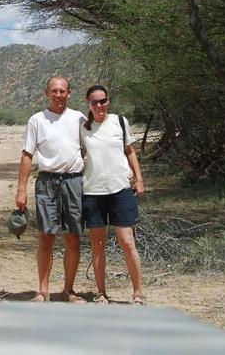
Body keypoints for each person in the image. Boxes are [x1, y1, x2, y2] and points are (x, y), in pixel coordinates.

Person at [16, 76, 86, 303]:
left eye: (62, 91)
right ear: (46, 92)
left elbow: (90, 149)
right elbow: (27, 155)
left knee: (73, 237)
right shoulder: (37, 120)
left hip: (74, 182)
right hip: (47, 182)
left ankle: (68, 290)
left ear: (69, 93)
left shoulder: (79, 119)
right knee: (46, 236)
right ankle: (43, 291)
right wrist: (21, 190)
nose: (58, 95)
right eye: (54, 91)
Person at [79, 84, 146, 305]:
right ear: (88, 104)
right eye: (94, 102)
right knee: (98, 244)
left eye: (103, 101)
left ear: (108, 101)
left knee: (127, 242)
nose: (99, 105)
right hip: (93, 192)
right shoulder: (83, 128)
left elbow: (129, 151)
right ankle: (100, 293)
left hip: (120, 189)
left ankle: (137, 293)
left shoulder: (119, 121)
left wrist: (139, 178)